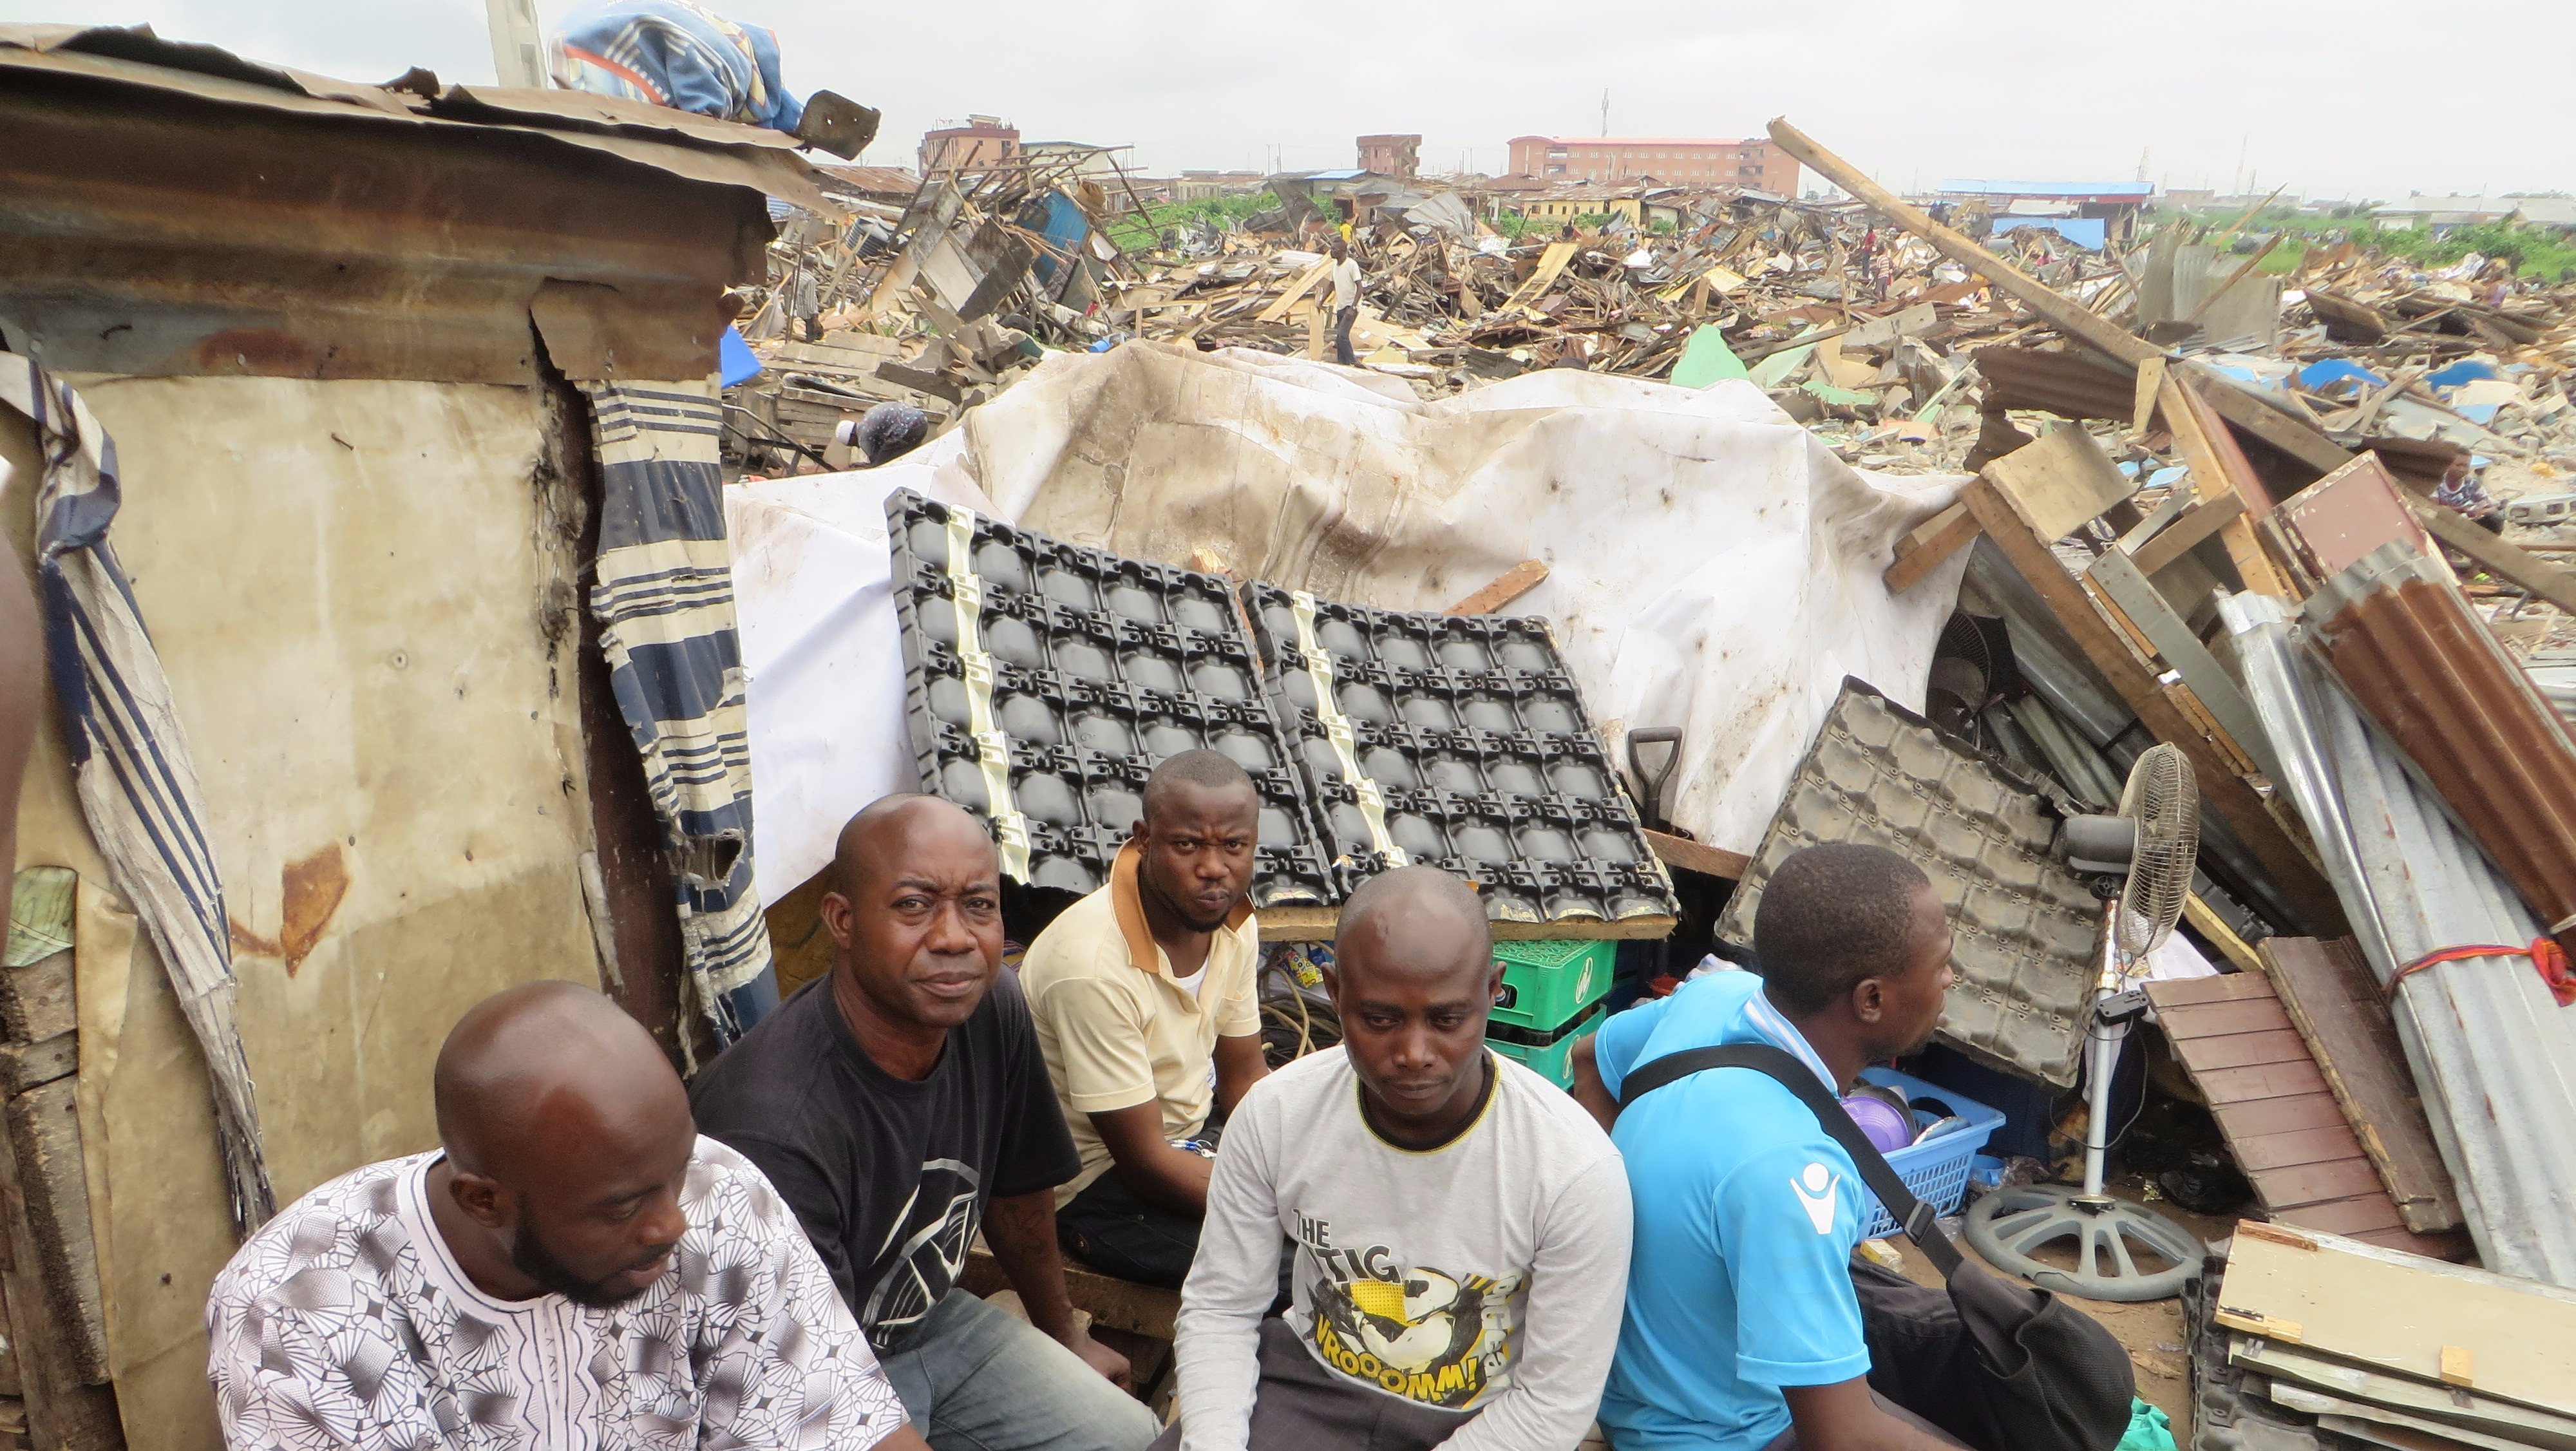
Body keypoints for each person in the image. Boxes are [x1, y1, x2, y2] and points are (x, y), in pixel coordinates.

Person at [205, 982, 921, 1450]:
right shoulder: (299, 1303)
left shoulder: (719, 1196)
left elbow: (849, 1428)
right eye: (622, 1208)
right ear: (483, 1201)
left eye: (674, 1173)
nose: (671, 1224)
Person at [689, 795, 1157, 1451]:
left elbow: (1020, 1199)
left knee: (1134, 1438)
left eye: (979, 905)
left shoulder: (989, 1005)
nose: (954, 937)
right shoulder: (773, 1125)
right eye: (914, 905)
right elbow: (793, 1385)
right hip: (802, 1380)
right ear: (842, 920)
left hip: (927, 1324)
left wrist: (1065, 1335)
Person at [1162, 866, 1632, 1451]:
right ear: (1335, 994)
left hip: (1482, 1422)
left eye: (1447, 1019)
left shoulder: (1575, 1171)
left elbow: (1551, 1404)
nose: (1414, 1053)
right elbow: (1221, 1308)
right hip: (1306, 1387)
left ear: (1493, 992)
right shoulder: (1276, 1115)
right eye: (1380, 1019)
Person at [1569, 843, 1964, 1451]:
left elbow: (1590, 1058)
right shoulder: (1789, 1166)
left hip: (1630, 1389)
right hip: (1717, 1435)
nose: (1949, 979)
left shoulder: (1716, 998)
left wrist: (1629, 1224)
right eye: (1940, 964)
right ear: (1871, 999)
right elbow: (1843, 1437)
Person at [1021, 750, 1270, 1289]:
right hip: (1099, 1185)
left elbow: (1245, 1077)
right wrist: (1279, 1207)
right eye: (1187, 844)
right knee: (1285, 1273)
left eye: (1234, 846)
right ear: (1144, 839)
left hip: (1193, 1137)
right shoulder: (1090, 966)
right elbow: (1144, 1162)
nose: (1214, 867)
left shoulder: (1233, 920)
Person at [1329, 238, 1363, 367]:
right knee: (1339, 338)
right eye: (1331, 249)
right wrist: (1321, 301)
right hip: (1341, 306)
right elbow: (1331, 285)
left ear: (1343, 251)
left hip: (1351, 307)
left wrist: (1353, 307)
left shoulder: (1351, 265)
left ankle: (1353, 362)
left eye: (1334, 249)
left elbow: (1360, 287)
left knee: (1342, 335)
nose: (1331, 252)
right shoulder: (1334, 267)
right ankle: (1342, 363)